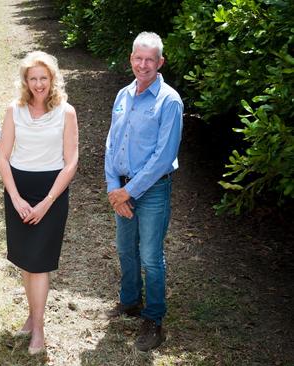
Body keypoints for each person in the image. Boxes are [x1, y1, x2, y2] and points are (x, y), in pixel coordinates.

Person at [104, 31, 183, 351]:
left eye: (150, 59)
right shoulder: (123, 95)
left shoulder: (170, 101)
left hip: (151, 191)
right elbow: (112, 144)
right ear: (131, 59)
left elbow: (163, 156)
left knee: (151, 256)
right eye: (138, 58)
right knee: (125, 248)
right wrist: (114, 187)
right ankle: (130, 301)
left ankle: (154, 318)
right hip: (122, 188)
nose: (143, 64)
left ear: (160, 62)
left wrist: (129, 192)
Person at [0, 51, 79, 355]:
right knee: (26, 261)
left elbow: (71, 163)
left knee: (39, 262)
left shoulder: (66, 112)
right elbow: (2, 157)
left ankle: (39, 332)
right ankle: (33, 316)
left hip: (51, 192)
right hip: (19, 190)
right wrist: (15, 197)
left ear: (53, 79)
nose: (39, 84)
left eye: (44, 78)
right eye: (33, 78)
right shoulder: (14, 110)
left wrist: (47, 202)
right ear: (26, 81)